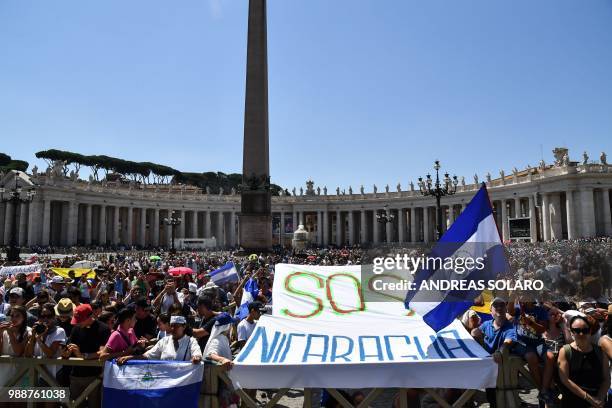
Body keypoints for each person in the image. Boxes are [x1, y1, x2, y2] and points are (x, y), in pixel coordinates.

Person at [62, 304, 110, 408]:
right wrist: (66, 353)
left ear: (90, 316)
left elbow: (103, 352)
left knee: (94, 405)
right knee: (75, 405)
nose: (77, 323)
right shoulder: (76, 329)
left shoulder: (103, 329)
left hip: (95, 376)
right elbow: (68, 348)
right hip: (76, 375)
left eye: (80, 320)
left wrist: (83, 355)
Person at [471, 297, 516, 408]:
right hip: (488, 365)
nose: (499, 308)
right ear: (491, 311)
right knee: (491, 396)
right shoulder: (486, 324)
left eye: (502, 305)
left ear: (506, 309)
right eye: (496, 306)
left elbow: (508, 341)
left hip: (502, 367)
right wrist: (474, 333)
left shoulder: (509, 327)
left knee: (501, 396)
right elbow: (474, 332)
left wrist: (500, 351)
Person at [558, 315, 609, 408]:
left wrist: (599, 399)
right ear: (571, 332)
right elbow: (565, 380)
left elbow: (606, 379)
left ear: (590, 331)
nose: (581, 334)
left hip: (598, 402)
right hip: (573, 402)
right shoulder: (565, 351)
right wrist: (589, 399)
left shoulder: (601, 351)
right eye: (577, 330)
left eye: (585, 330)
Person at [117, 315, 201, 364]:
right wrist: (130, 358)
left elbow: (197, 354)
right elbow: (147, 356)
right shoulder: (164, 341)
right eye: (171, 326)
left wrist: (196, 358)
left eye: (176, 326)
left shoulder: (191, 341)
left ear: (184, 326)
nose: (173, 328)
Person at [24, 303, 67, 378]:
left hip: (54, 375)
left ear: (54, 317)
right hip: (36, 375)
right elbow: (28, 354)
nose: (45, 319)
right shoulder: (34, 331)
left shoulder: (59, 331)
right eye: (42, 316)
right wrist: (33, 336)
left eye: (49, 316)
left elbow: (50, 354)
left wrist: (39, 340)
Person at [0, 305, 32, 386]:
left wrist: (10, 333)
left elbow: (18, 352)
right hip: (3, 373)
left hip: (20, 374)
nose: (14, 318)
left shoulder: (28, 331)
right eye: (12, 316)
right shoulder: (4, 331)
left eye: (17, 316)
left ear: (23, 317)